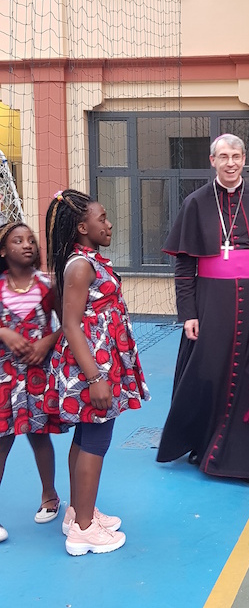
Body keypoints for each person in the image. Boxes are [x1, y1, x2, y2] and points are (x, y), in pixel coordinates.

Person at [156, 133, 249, 485]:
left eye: (236, 156)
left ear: (245, 159)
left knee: (247, 376)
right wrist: (188, 313)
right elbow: (184, 265)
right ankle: (201, 443)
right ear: (212, 160)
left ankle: (237, 460)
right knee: (208, 374)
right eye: (224, 156)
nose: (231, 163)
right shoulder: (196, 202)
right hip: (210, 301)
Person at [46, 189, 150, 555]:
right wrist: (95, 378)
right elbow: (71, 324)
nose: (108, 224)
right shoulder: (80, 265)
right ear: (81, 227)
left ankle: (79, 511)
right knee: (96, 440)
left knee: (85, 436)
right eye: (101, 218)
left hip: (102, 360)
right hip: (92, 366)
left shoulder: (89, 260)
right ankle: (84, 531)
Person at [0, 222, 64, 543]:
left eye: (30, 240)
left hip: (37, 378)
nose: (27, 245)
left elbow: (68, 324)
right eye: (17, 240)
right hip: (4, 378)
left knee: (39, 436)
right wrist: (4, 331)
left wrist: (46, 343)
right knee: (1, 441)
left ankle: (50, 495)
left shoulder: (46, 285)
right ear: (3, 251)